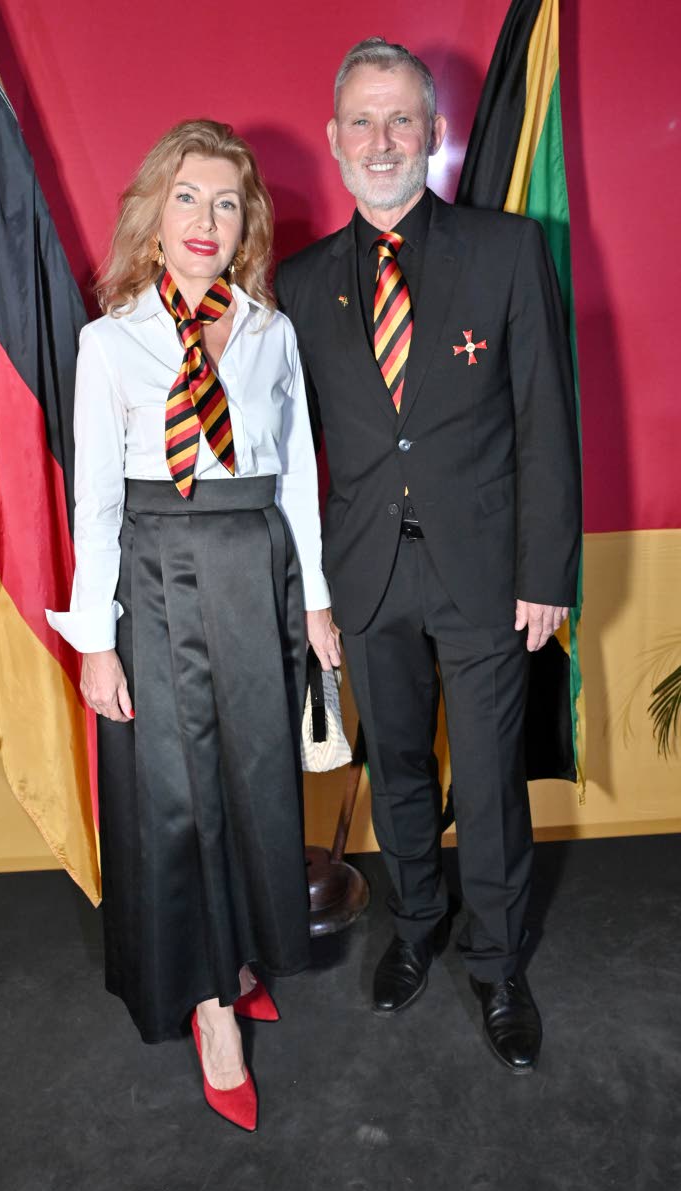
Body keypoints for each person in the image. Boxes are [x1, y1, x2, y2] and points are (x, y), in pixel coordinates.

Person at [276, 39, 581, 1073]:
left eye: (401, 118)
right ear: (333, 140)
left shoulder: (506, 251)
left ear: (434, 133)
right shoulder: (300, 281)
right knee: (399, 770)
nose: (381, 140)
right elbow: (284, 455)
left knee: (491, 780)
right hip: (365, 578)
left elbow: (547, 421)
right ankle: (416, 931)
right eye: (361, 120)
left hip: (490, 575)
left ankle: (500, 965)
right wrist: (307, 591)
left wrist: (547, 575)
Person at [47, 119, 339, 1131]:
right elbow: (94, 503)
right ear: (154, 214)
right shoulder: (109, 340)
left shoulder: (272, 331)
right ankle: (213, 1010)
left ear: (246, 219)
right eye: (188, 198)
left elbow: (297, 472)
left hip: (257, 571)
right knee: (178, 802)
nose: (207, 220)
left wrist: (316, 599)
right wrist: (93, 642)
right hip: (157, 575)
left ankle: (241, 950)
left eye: (227, 201)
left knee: (253, 785)